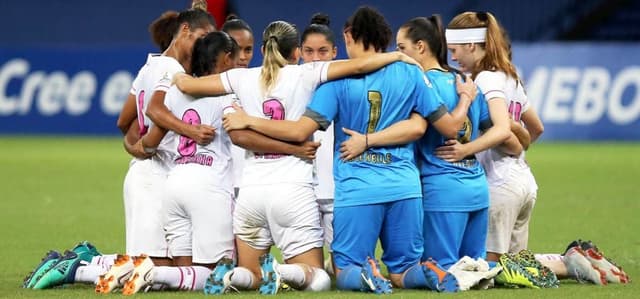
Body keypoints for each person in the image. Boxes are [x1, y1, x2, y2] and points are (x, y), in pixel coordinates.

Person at [220, 6, 480, 294]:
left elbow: (299, 131)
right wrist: (466, 99)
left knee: (344, 271)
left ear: (348, 36)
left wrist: (247, 120)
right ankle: (429, 271)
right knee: (403, 270)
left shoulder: (337, 80)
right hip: (405, 187)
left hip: (358, 187)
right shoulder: (412, 72)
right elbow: (446, 128)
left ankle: (364, 271)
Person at [173, 18, 419, 295]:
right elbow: (361, 65)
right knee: (319, 279)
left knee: (251, 274)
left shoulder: (240, 77)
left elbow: (187, 86)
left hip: (251, 192)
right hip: (292, 190)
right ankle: (279, 271)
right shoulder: (307, 73)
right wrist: (397, 55)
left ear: (264, 48)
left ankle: (232, 277)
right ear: (296, 53)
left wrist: (173, 71)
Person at [340, 14, 512, 276]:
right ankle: (518, 266)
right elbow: (498, 129)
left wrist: (366, 140)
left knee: (440, 272)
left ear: (420, 47)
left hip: (442, 192)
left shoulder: (421, 84)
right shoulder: (466, 83)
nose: (399, 55)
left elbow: (417, 128)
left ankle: (519, 267)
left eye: (401, 49)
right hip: (476, 188)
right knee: (475, 271)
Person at [445, 11, 543, 263]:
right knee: (517, 268)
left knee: (486, 268)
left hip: (500, 184)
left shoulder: (486, 78)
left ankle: (568, 261)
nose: (453, 57)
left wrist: (465, 151)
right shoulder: (510, 75)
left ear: (471, 45)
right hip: (523, 181)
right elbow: (537, 129)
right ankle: (572, 261)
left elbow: (500, 129)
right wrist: (518, 143)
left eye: (455, 50)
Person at [299, 12, 338, 276]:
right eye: (309, 52)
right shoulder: (291, 83)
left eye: (322, 52)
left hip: (337, 188)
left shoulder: (345, 84)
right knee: (311, 276)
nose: (315, 59)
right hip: (303, 189)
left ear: (335, 52)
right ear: (299, 52)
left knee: (340, 271)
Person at [221, 14, 255, 198]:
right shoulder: (206, 86)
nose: (243, 57)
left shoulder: (258, 86)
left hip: (252, 184)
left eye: (248, 50)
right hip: (221, 184)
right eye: (237, 49)